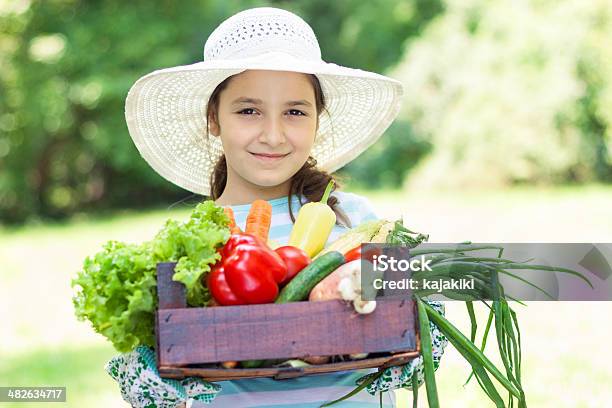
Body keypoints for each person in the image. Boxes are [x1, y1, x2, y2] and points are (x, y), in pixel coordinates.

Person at [107, 7, 447, 407]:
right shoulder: (190, 246)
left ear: (317, 120)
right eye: (249, 110)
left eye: (295, 112)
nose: (272, 135)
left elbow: (428, 319)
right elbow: (148, 388)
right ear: (214, 117)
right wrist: (158, 361)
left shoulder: (358, 221)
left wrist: (410, 322)